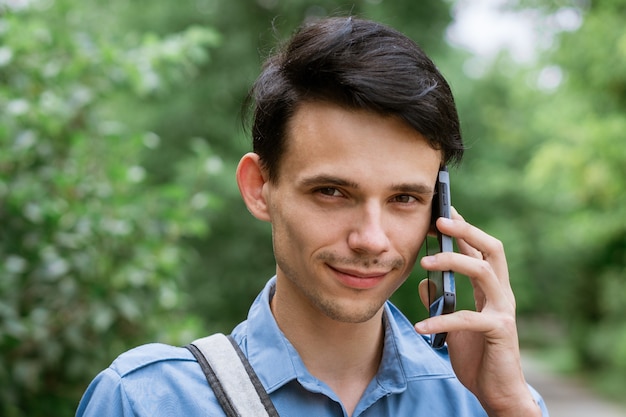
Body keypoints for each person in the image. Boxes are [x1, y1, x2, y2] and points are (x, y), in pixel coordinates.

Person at [76, 16, 549, 417]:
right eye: (331, 192)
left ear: (437, 211)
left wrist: (508, 406)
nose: (371, 238)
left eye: (404, 198)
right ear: (260, 188)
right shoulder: (146, 400)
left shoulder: (481, 403)